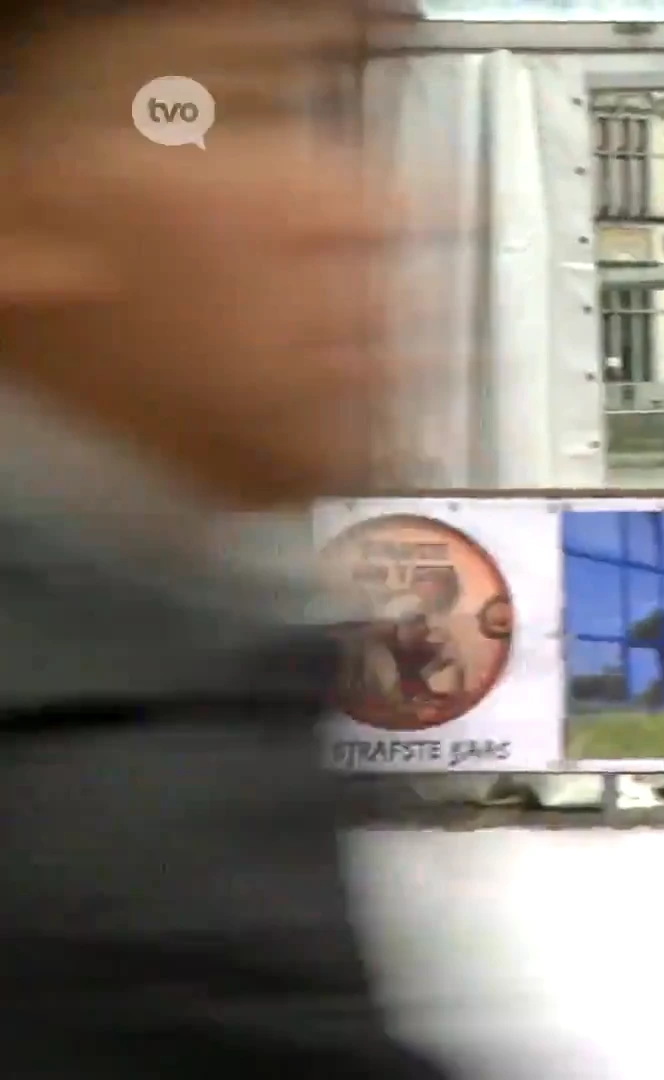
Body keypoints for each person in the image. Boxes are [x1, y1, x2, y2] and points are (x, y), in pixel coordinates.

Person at [0, 1, 449, 1075]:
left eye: (341, 111)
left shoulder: (167, 681)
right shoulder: (106, 827)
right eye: (242, 108)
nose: (372, 210)